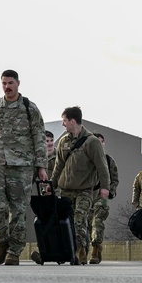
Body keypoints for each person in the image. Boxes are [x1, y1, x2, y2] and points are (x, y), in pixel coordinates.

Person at [0, 70, 49, 266]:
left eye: (10, 83)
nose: (7, 87)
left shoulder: (29, 108)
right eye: (4, 83)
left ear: (18, 83)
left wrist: (41, 165)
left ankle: (14, 251)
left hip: (22, 165)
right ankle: (2, 241)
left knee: (18, 210)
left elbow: (39, 136)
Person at [50, 107, 111, 264]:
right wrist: (51, 185)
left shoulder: (92, 142)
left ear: (72, 121)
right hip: (65, 190)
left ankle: (79, 250)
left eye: (64, 121)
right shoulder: (64, 141)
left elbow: (102, 166)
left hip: (84, 190)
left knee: (79, 219)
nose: (63, 124)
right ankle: (70, 251)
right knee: (67, 221)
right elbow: (58, 166)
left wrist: (105, 187)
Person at [88, 132, 119, 264]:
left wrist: (110, 192)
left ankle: (95, 249)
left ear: (104, 143)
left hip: (101, 196)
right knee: (83, 224)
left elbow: (114, 179)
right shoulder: (85, 158)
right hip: (86, 195)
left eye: (100, 142)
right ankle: (82, 250)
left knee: (97, 222)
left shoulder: (108, 160)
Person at [28, 129, 56, 266]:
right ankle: (44, 251)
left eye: (51, 140)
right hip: (45, 196)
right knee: (43, 222)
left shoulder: (61, 156)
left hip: (61, 193)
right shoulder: (36, 161)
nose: (50, 144)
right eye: (46, 141)